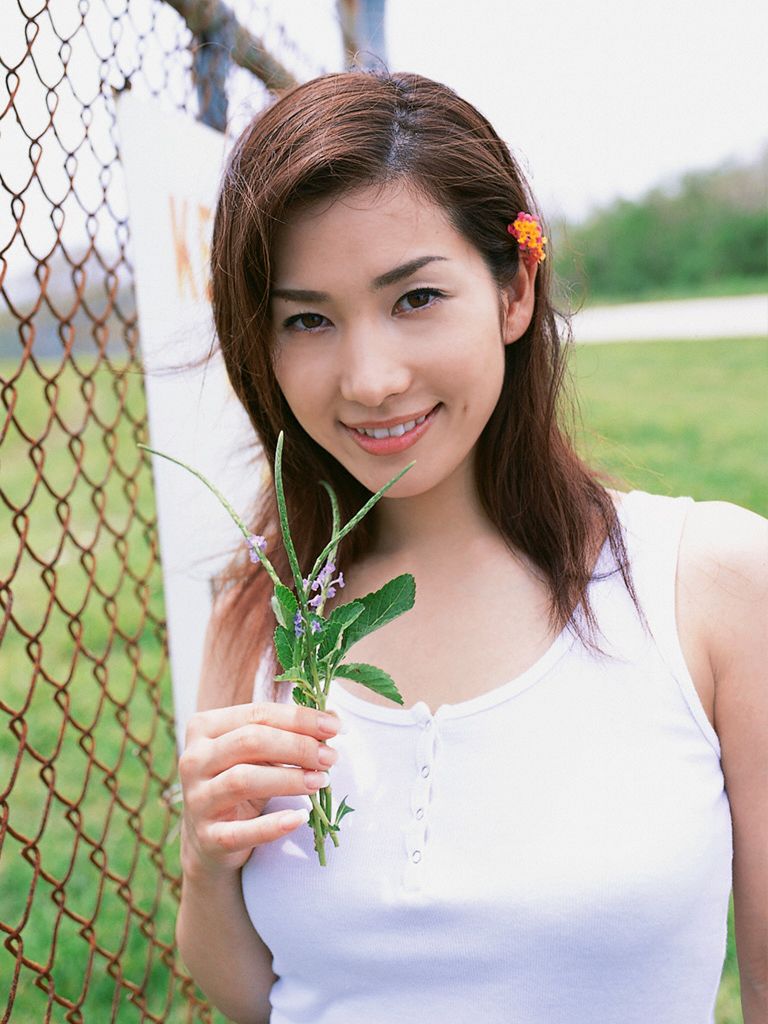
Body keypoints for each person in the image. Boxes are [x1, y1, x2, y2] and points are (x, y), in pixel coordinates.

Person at [174, 70, 766, 1024]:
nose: (369, 378)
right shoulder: (259, 610)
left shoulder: (708, 584)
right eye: (308, 319)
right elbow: (255, 996)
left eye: (414, 299)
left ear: (514, 292)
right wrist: (209, 859)